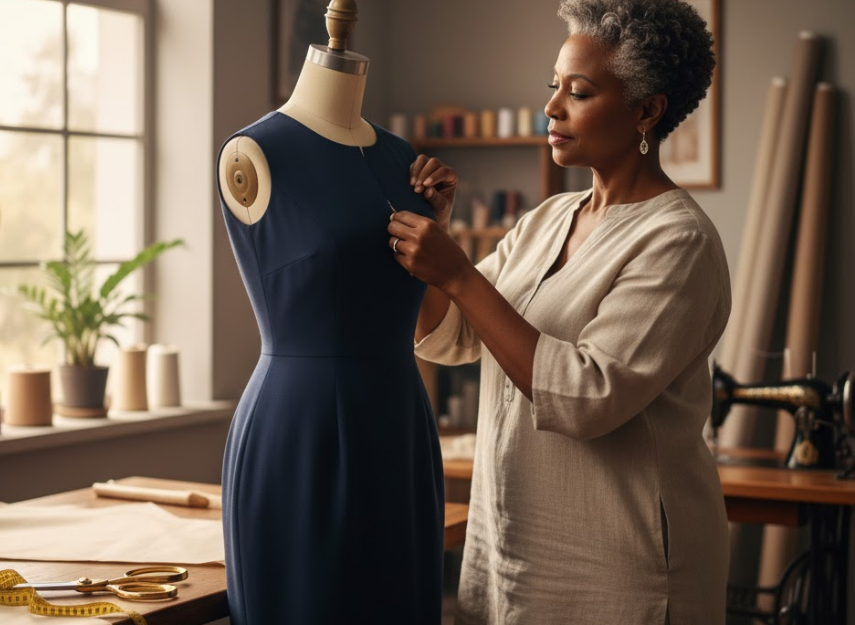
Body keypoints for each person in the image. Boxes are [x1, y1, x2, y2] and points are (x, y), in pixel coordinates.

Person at [387, 0, 728, 623]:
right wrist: (433, 244)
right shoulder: (546, 220)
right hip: (510, 549)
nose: (552, 108)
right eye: (554, 87)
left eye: (580, 92)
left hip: (621, 570)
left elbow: (584, 396)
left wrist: (460, 270)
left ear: (646, 110)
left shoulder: (678, 241)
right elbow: (454, 333)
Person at [217, 4, 443, 624]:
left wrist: (440, 227)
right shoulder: (257, 153)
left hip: (398, 424)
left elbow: (427, 309)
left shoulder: (406, 162)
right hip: (300, 426)